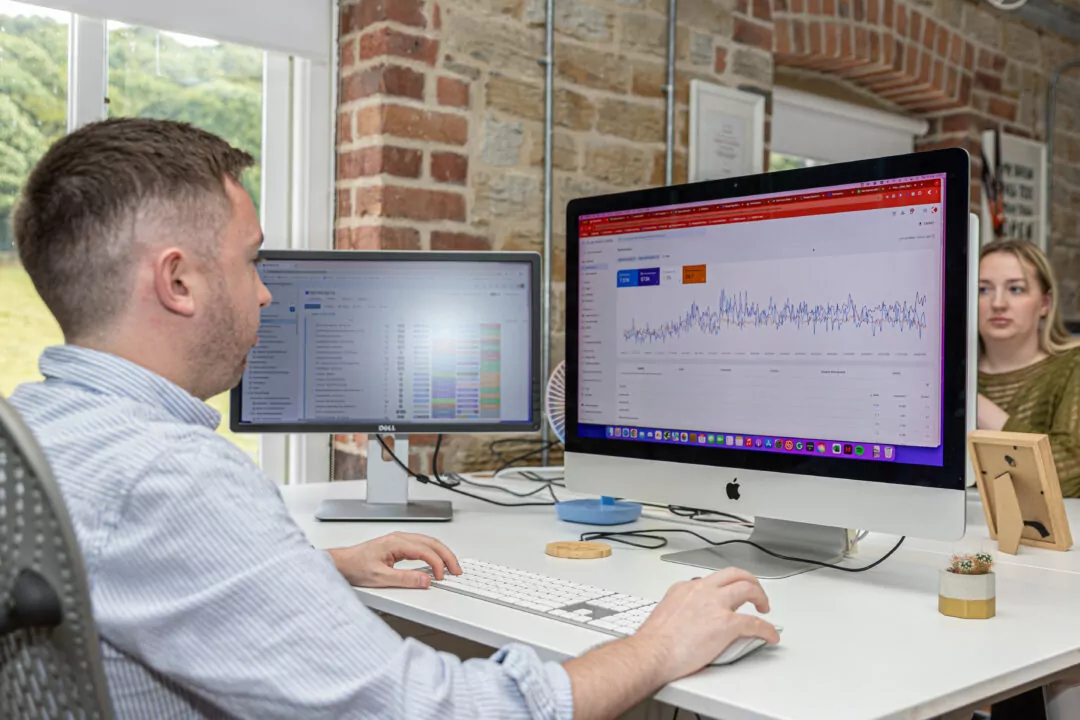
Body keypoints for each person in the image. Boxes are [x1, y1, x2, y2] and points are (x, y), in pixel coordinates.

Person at [8, 118, 778, 720]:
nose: (267, 294)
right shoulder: (171, 477)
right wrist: (655, 646)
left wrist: (320, 568)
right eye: (252, 262)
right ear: (177, 279)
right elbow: (440, 711)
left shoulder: (35, 429)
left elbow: (122, 576)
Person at [976, 238, 1080, 497]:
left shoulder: (1071, 365)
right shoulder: (945, 376)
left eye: (1016, 289)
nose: (998, 303)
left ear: (1044, 304)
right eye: (983, 290)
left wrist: (974, 405)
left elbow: (1068, 476)